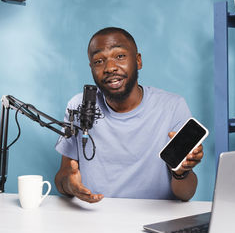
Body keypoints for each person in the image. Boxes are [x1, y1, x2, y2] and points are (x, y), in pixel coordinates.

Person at [55, 27, 204, 203]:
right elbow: (63, 177)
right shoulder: (79, 106)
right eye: (99, 61)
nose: (110, 67)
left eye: (120, 56)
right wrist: (70, 185)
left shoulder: (172, 107)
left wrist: (181, 173)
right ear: (91, 68)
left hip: (155, 220)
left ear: (138, 61)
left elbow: (186, 194)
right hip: (96, 216)